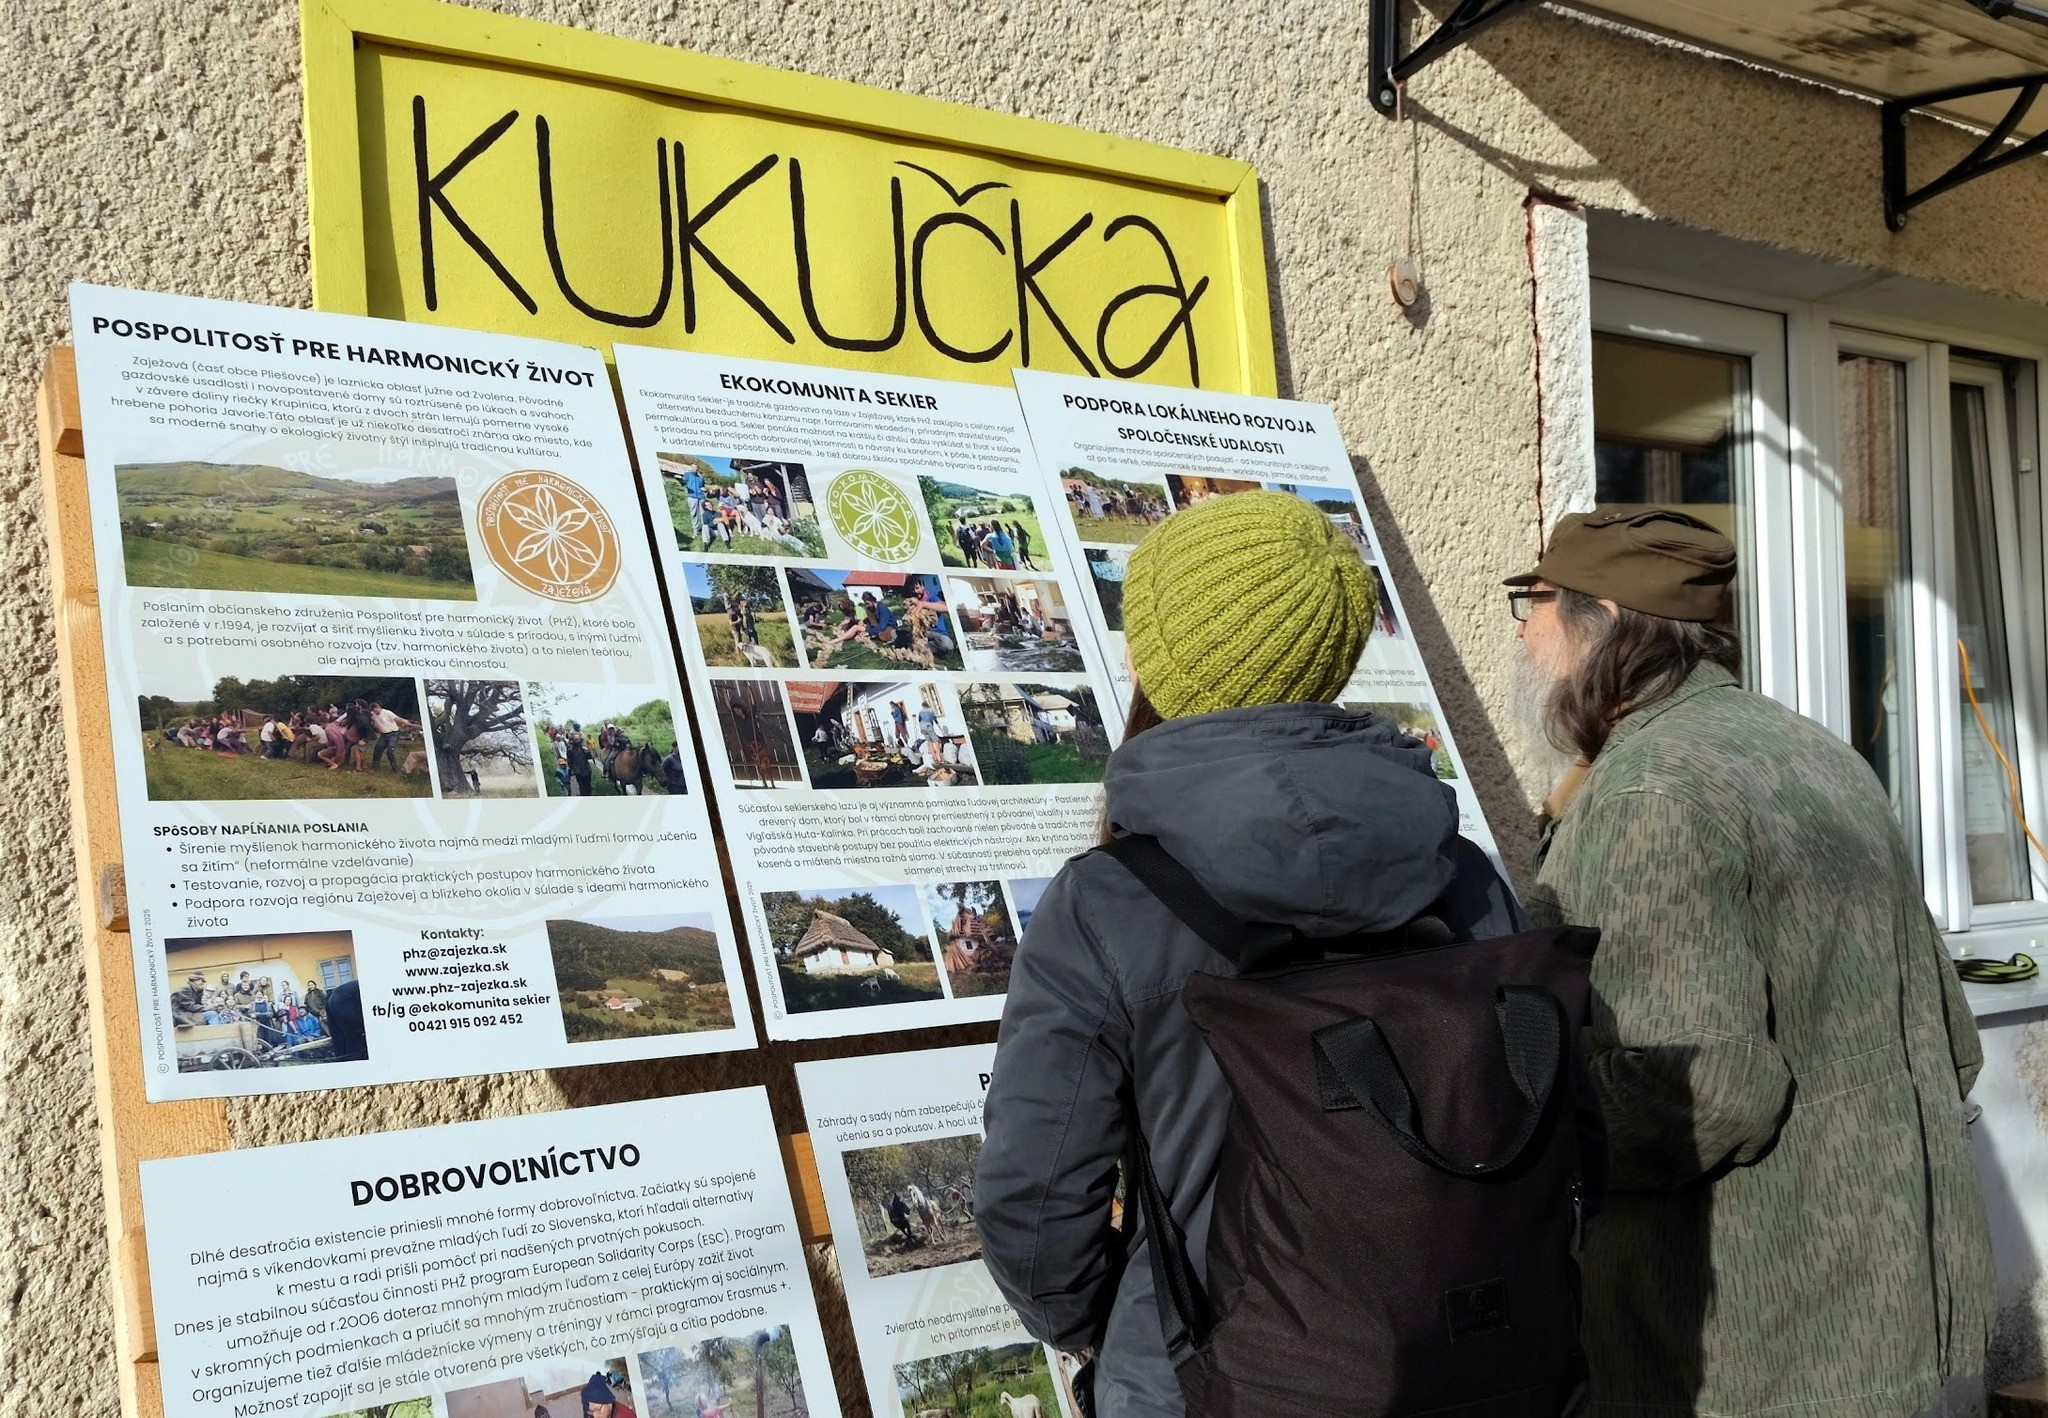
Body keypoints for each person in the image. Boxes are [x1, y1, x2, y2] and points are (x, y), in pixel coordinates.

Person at [977, 491, 1523, 1418]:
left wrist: (1112, 1326)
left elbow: (1036, 1207)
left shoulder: (1109, 899)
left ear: (1174, 660)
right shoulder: (1459, 870)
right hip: (1455, 1358)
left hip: (1206, 1377)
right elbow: (1550, 1116)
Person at [1509, 508, 1994, 1417]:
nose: (1526, 632)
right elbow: (1951, 1039)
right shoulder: (1815, 750)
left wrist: (1518, 1116)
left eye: (1532, 601)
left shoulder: (1652, 789)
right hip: (1893, 1316)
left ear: (1605, 621)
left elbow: (1702, 1090)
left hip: (1749, 1349)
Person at [368, 701, 413, 771]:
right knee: (377, 749)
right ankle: (375, 767)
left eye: (374, 710)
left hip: (393, 734)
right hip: (384, 735)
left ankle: (395, 768)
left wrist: (406, 722)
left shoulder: (387, 712)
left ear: (377, 708)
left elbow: (397, 719)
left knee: (390, 751)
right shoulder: (374, 716)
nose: (374, 712)